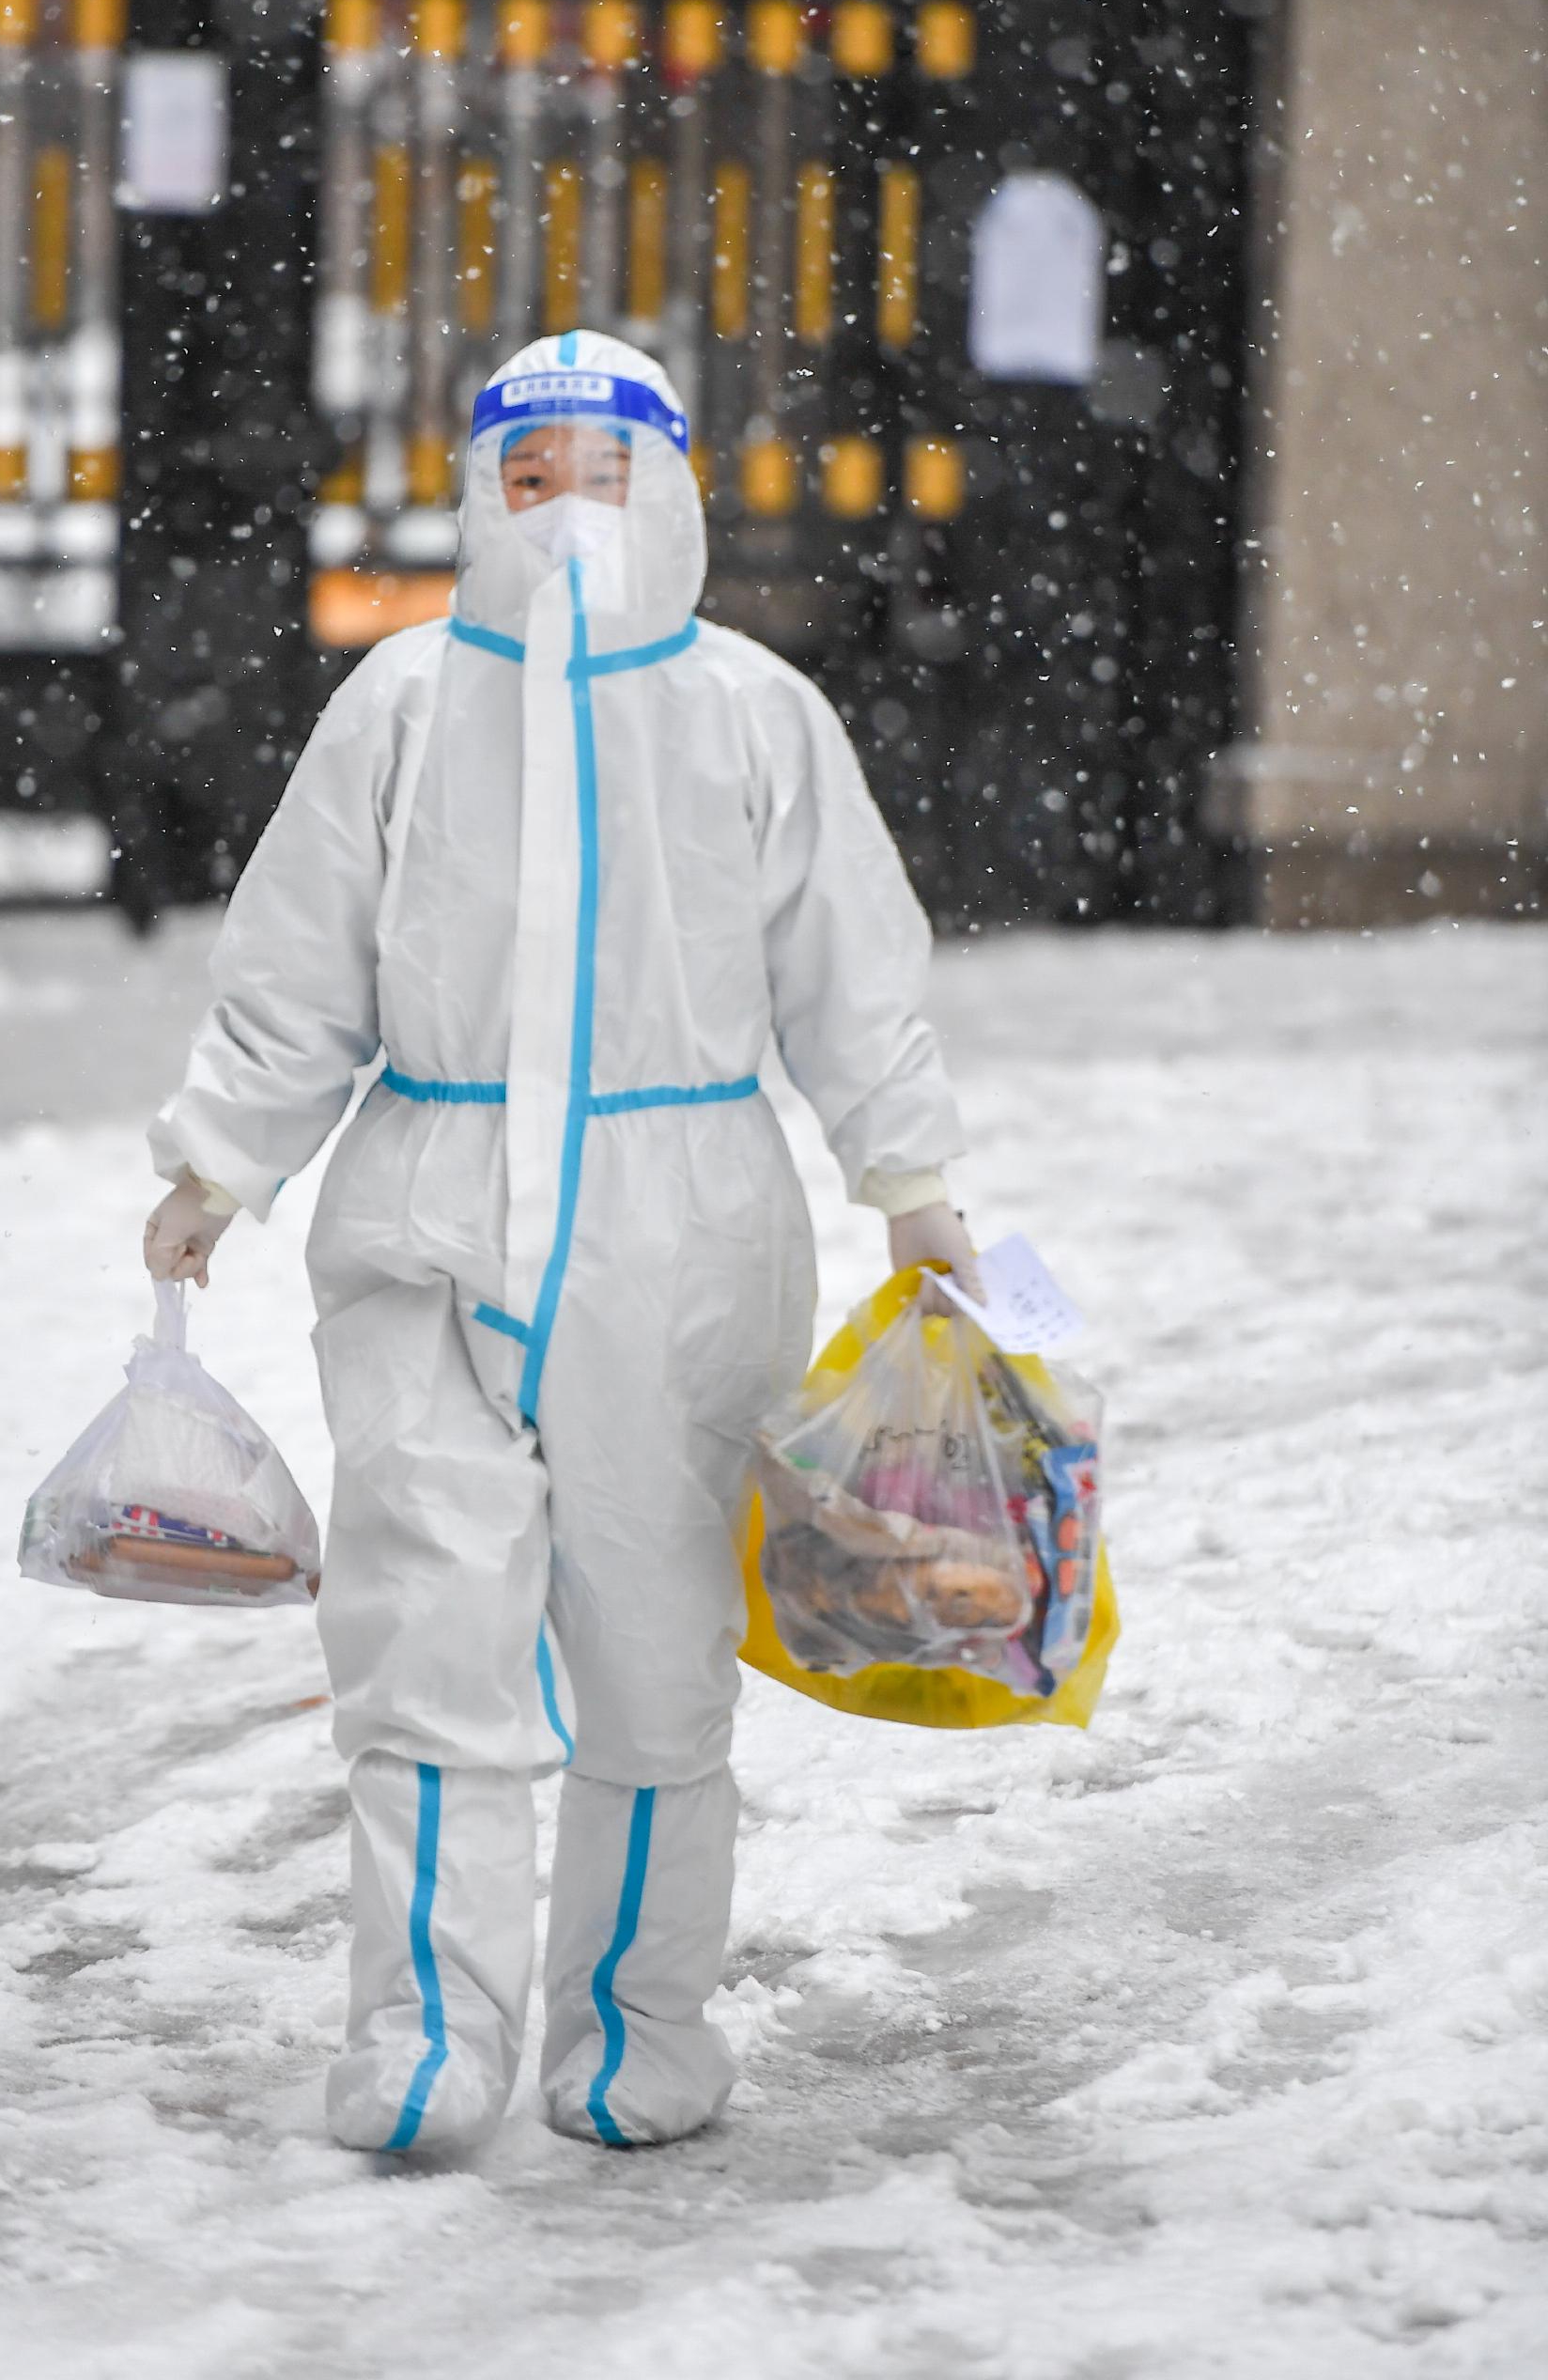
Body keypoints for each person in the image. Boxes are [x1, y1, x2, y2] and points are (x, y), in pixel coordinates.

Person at [145, 329, 979, 2155]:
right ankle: (425, 2036)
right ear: (480, 496)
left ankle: (639, 2023)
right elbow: (303, 953)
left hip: (685, 1228)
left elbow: (852, 974)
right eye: (527, 477)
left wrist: (908, 1181)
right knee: (424, 1627)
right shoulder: (408, 702)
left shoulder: (753, 713)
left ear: (666, 487)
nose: (562, 510)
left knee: (658, 1647)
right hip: (430, 1201)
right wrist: (223, 1156)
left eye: (600, 471)